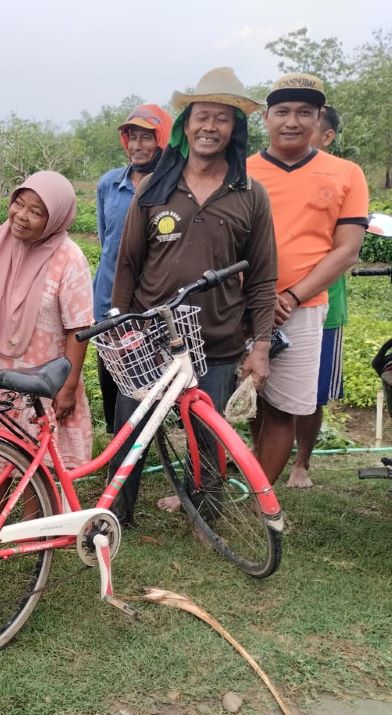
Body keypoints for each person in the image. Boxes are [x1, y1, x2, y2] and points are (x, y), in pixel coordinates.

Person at [108, 68, 278, 524]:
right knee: (132, 431)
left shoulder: (250, 195)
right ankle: (114, 517)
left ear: (235, 130)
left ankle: (204, 514)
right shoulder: (155, 187)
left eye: (222, 119)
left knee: (207, 433)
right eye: (202, 116)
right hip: (147, 337)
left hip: (217, 341)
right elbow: (127, 265)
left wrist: (260, 345)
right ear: (185, 126)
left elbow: (263, 279)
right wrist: (121, 327)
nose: (210, 127)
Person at [248, 76, 368, 486]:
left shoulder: (346, 173)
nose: (292, 121)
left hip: (302, 310)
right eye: (282, 111)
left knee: (284, 407)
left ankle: (256, 504)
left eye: (304, 112)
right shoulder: (242, 172)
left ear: (318, 119)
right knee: (249, 401)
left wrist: (294, 296)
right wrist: (258, 296)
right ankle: (254, 481)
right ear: (266, 118)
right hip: (240, 306)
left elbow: (346, 249)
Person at [0, 171, 94, 467]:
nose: (21, 216)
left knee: (38, 465)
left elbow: (79, 327)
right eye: (19, 203)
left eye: (36, 211)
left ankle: (36, 516)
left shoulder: (69, 258)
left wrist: (68, 386)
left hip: (43, 381)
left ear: (55, 218)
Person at [94, 104, 172, 432]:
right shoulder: (109, 185)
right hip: (108, 296)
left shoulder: (171, 187)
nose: (138, 146)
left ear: (163, 141)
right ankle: (116, 437)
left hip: (151, 300)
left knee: (147, 372)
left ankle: (144, 437)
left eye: (147, 138)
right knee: (111, 370)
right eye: (132, 137)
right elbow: (106, 240)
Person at [287, 105, 346, 488]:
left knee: (313, 392)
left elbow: (346, 247)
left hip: (322, 308)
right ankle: (261, 461)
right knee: (262, 391)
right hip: (272, 305)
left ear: (326, 136)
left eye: (309, 125)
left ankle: (302, 463)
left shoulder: (341, 178)